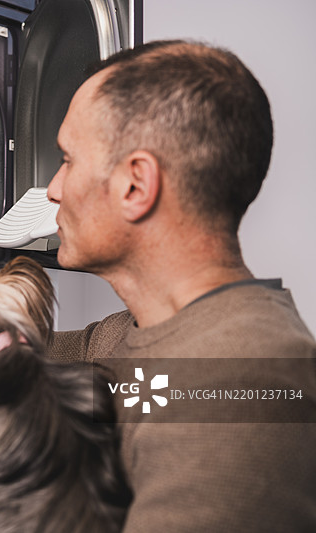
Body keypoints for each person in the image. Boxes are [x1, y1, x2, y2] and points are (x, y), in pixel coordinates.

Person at [47, 40, 316, 531]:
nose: (53, 188)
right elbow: (28, 359)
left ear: (135, 186)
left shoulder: (241, 385)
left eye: (67, 159)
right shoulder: (154, 330)